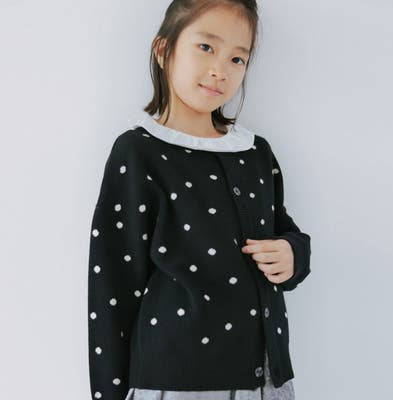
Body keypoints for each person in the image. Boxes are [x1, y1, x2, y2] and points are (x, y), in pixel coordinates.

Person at [87, 1, 312, 400]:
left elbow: (283, 230)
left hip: (266, 379)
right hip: (175, 381)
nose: (220, 70)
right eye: (206, 47)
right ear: (164, 50)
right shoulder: (138, 153)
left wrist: (293, 253)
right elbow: (112, 287)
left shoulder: (255, 153)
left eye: (237, 58)